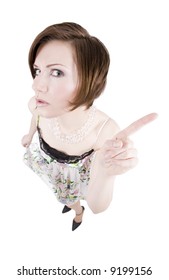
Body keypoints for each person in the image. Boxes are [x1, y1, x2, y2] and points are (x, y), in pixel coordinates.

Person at [21, 22, 157, 231]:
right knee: (61, 195)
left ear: (89, 80)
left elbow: (99, 206)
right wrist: (29, 136)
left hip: (78, 176)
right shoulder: (38, 105)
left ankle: (78, 213)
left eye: (56, 72)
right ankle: (71, 204)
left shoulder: (104, 130)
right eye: (37, 71)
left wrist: (106, 172)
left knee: (70, 198)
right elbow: (35, 117)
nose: (36, 85)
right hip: (50, 168)